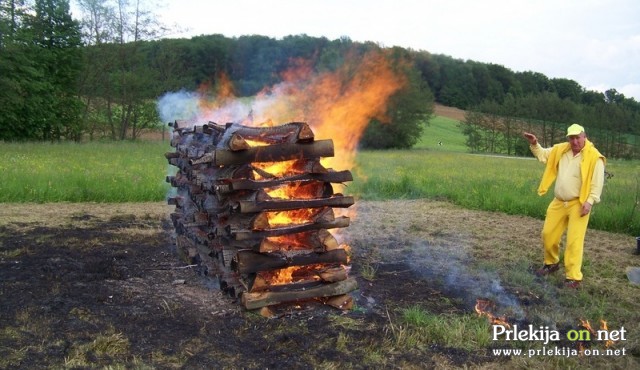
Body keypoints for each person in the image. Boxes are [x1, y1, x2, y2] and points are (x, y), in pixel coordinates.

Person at [523, 124, 605, 289]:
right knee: (548, 234)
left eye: (577, 138)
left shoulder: (594, 157)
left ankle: (573, 278)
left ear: (584, 136)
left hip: (579, 203)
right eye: (571, 138)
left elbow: (597, 183)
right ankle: (551, 263)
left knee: (574, 241)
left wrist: (590, 201)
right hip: (559, 201)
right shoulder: (561, 150)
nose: (574, 141)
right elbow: (543, 155)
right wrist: (534, 143)